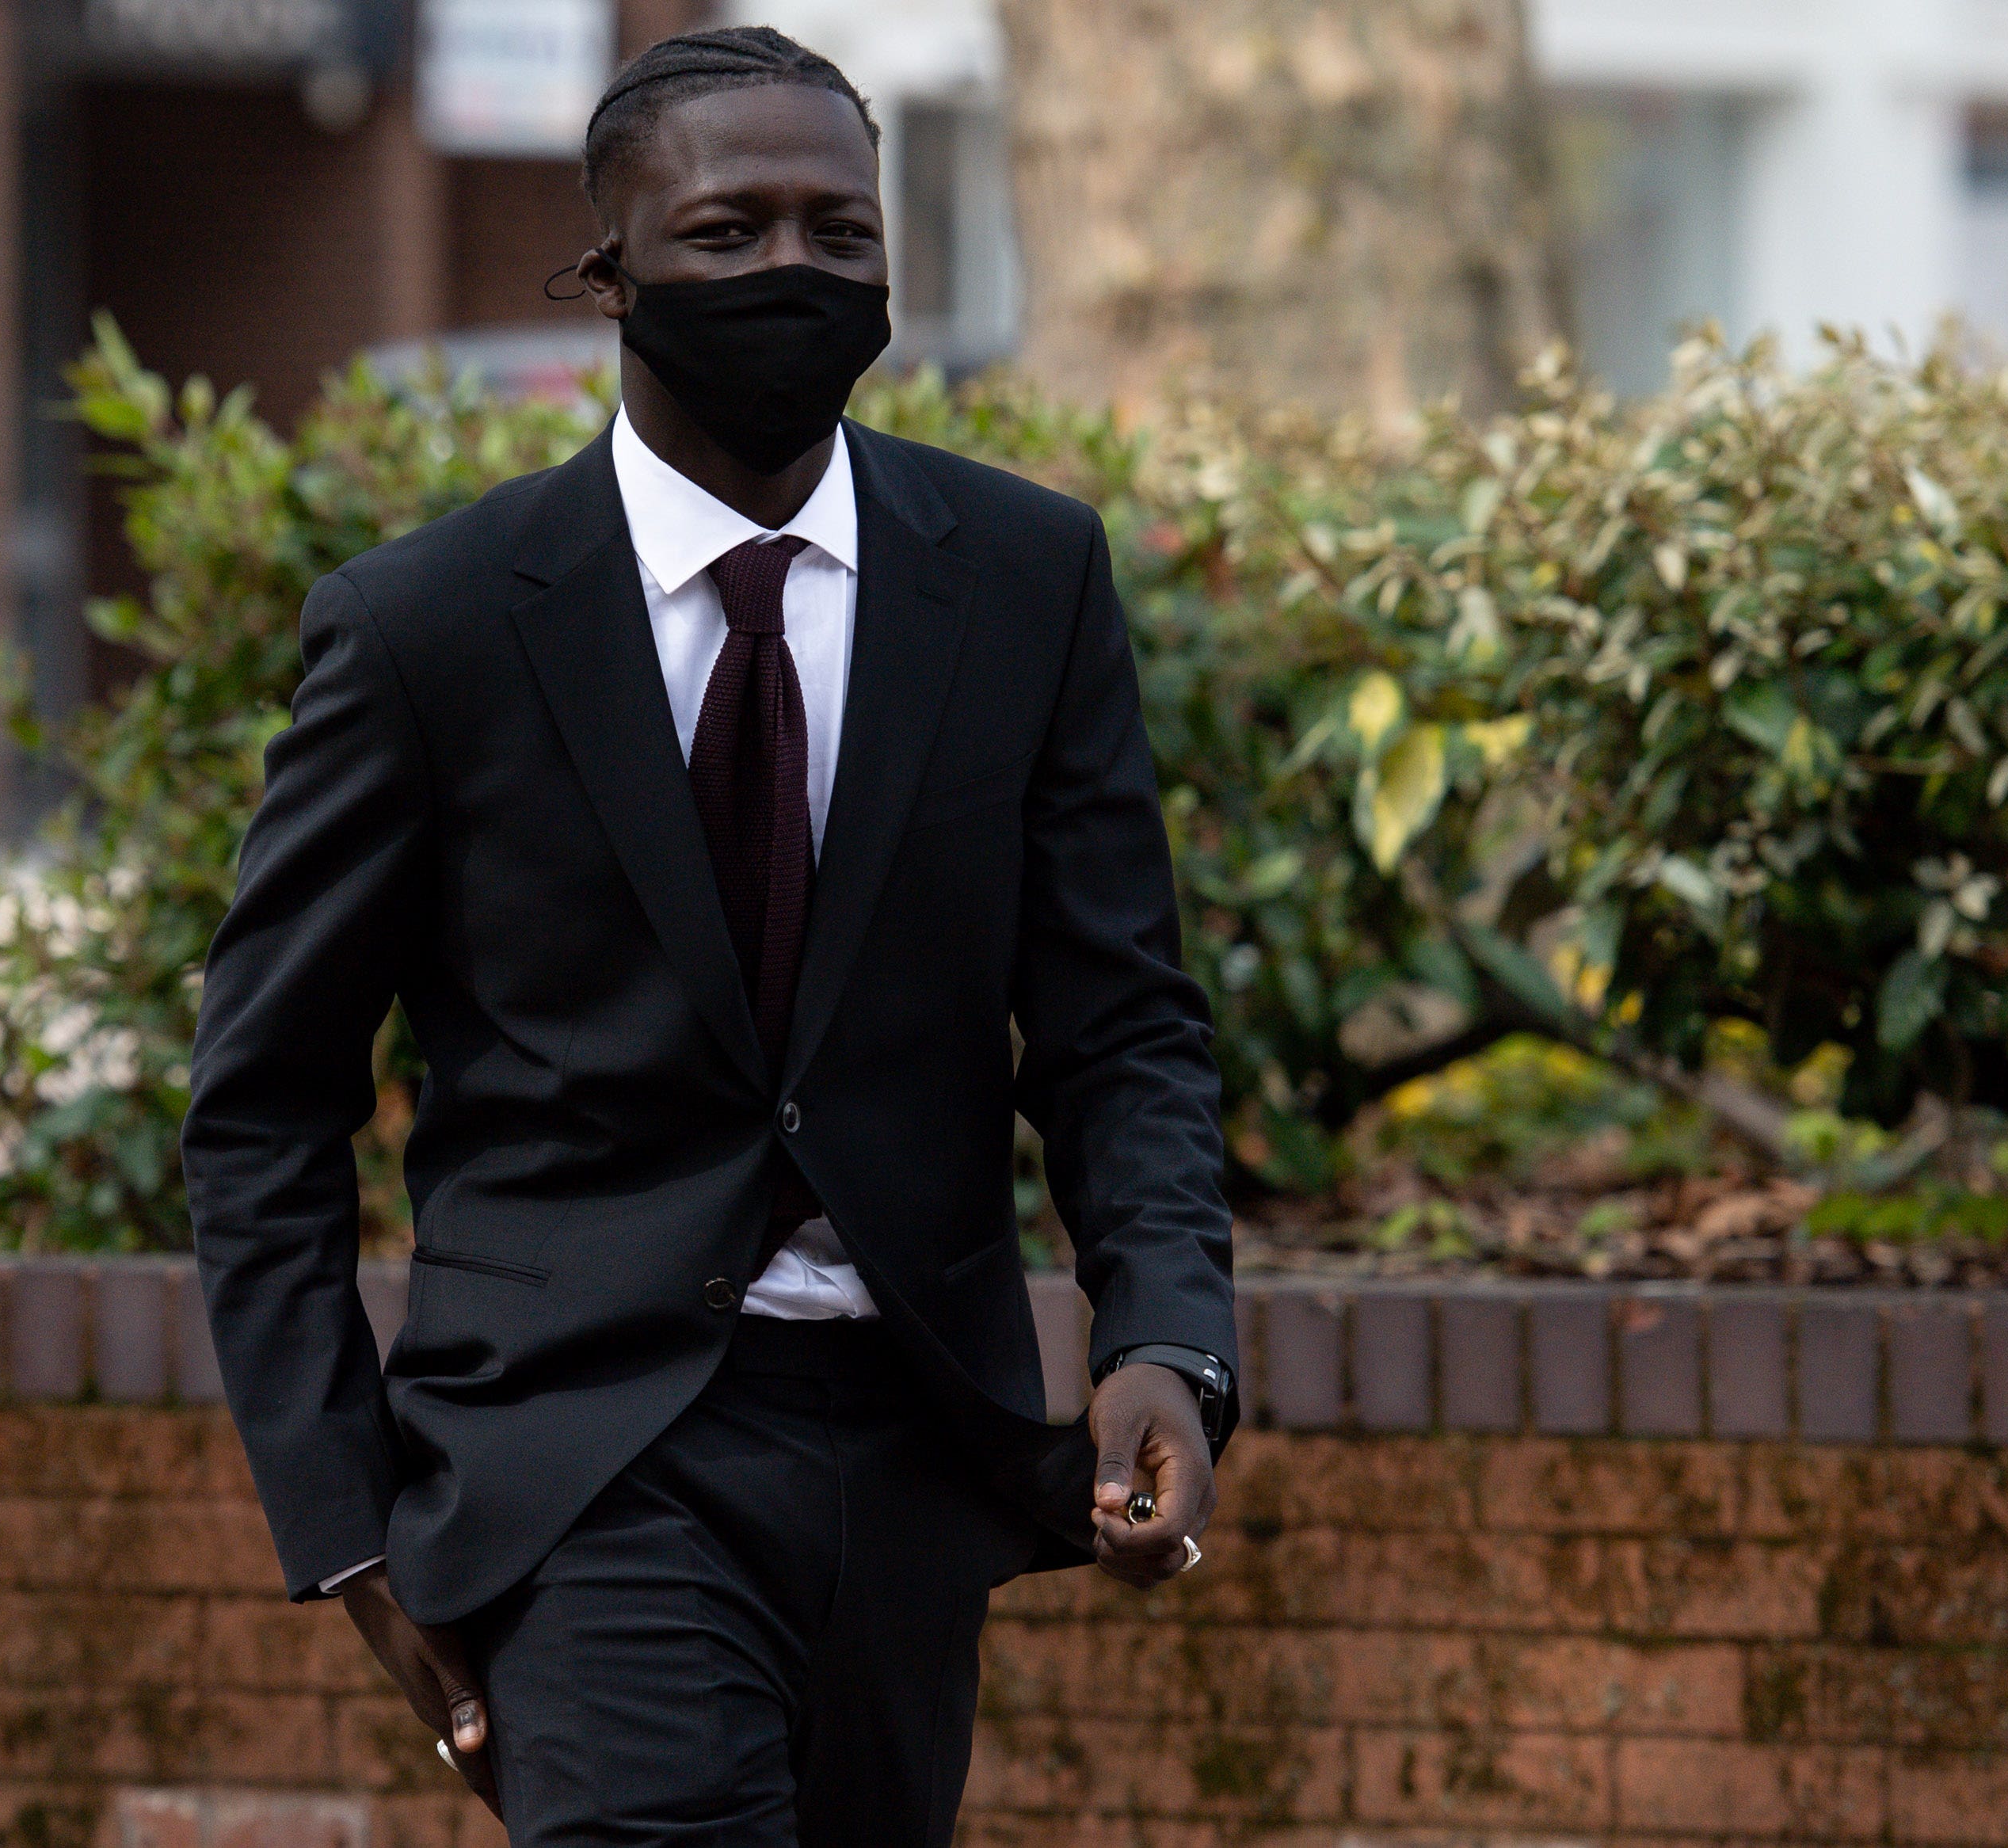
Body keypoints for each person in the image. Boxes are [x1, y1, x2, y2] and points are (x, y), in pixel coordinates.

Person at [183, 27, 1240, 1846]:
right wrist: (351, 1532)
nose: (790, 271)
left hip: (914, 1449)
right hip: (580, 1457)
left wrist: (1166, 1336)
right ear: (605, 272)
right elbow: (260, 1104)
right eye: (726, 231)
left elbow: (1116, 1019)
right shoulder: (430, 628)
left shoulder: (1019, 577)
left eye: (839, 234)